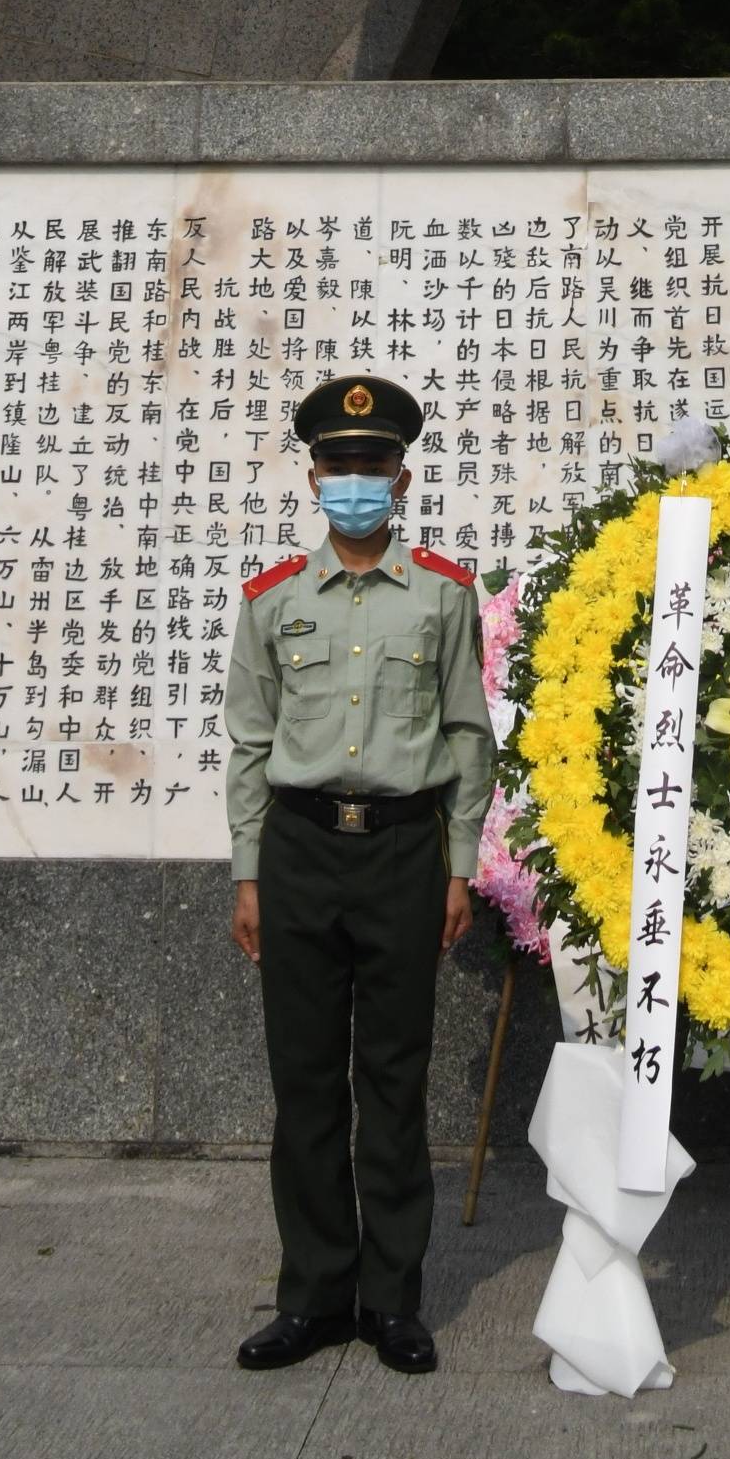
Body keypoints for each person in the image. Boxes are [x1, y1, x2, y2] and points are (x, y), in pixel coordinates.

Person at [224, 372, 494, 1376]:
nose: (354, 481)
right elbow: (250, 743)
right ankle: (312, 1297)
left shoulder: (444, 595)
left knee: (393, 1080)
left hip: (402, 852)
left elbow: (468, 735)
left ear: (401, 477)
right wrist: (248, 874)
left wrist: (458, 866)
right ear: (312, 478)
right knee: (303, 1085)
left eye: (371, 464)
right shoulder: (271, 602)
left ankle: (390, 1301)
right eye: (337, 465)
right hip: (298, 852)